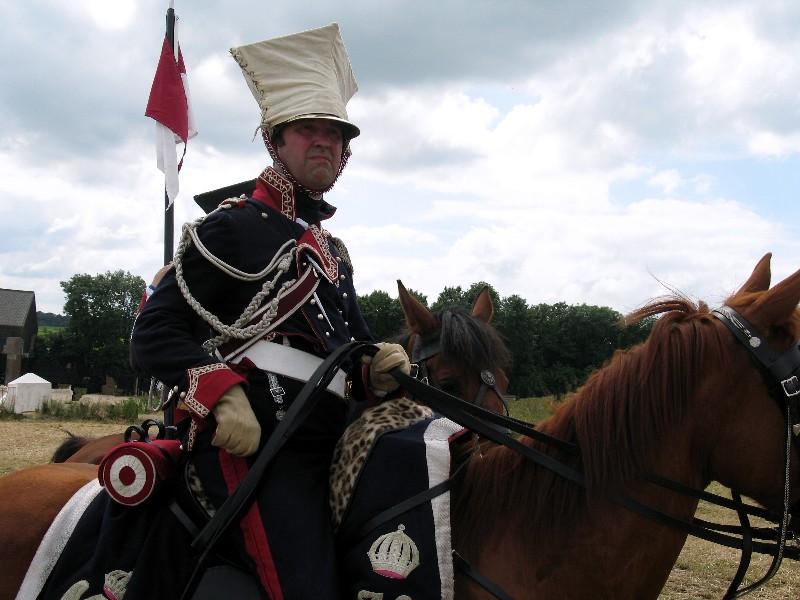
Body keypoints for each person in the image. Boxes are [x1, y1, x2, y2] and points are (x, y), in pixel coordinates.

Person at [130, 23, 409, 598]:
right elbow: (153, 332)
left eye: (336, 134)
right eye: (309, 129)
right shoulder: (232, 226)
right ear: (275, 142)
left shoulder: (333, 252)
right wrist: (221, 392)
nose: (325, 143)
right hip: (259, 444)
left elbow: (349, 356)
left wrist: (375, 366)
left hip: (332, 439)